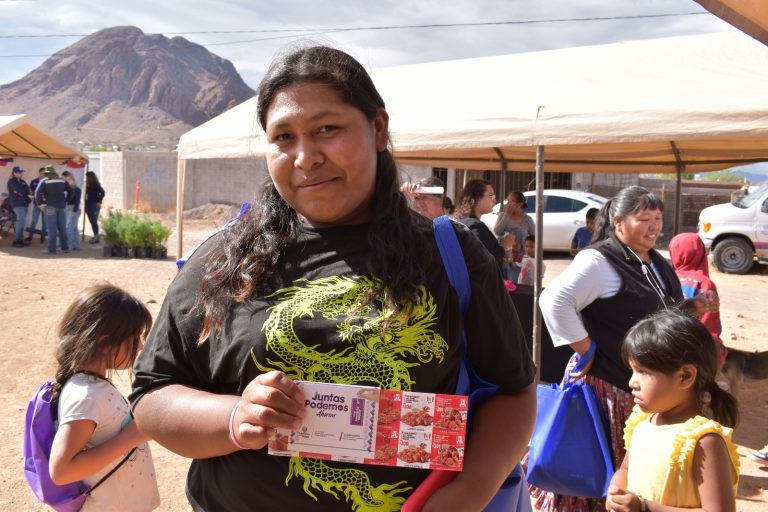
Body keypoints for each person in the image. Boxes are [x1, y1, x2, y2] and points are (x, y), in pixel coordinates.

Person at [131, 45, 536, 512]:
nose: (306, 157)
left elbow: (514, 391)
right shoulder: (223, 259)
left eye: (327, 129)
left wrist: (467, 493)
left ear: (378, 128)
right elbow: (152, 393)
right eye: (284, 137)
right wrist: (236, 417)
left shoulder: (450, 254)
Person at [535, 185, 716, 511]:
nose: (654, 226)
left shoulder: (653, 261)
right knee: (599, 469)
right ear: (618, 222)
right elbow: (554, 300)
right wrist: (586, 349)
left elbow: (662, 314)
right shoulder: (600, 260)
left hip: (648, 386)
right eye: (644, 219)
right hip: (610, 387)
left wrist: (694, 306)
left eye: (658, 218)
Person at [607, 309, 739, 511]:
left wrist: (645, 508)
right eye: (632, 370)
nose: (632, 382)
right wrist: (616, 489)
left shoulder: (704, 441)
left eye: (643, 372)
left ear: (685, 376)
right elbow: (626, 469)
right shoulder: (641, 422)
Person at [48, 283, 160, 511]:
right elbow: (61, 471)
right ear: (105, 343)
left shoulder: (94, 384)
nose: (140, 346)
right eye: (134, 338)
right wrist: (129, 438)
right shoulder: (85, 395)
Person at [668, 232, 726, 367]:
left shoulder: (668, 277)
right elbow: (709, 324)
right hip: (696, 351)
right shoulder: (704, 283)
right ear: (700, 252)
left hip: (670, 344)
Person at [454, 179, 516, 271]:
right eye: (490, 195)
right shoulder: (475, 227)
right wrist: (504, 245)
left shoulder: (463, 222)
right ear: (477, 199)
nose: (494, 200)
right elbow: (488, 259)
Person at [493, 191, 534, 281]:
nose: (507, 204)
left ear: (519, 204)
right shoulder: (502, 215)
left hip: (518, 260)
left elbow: (534, 239)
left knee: (515, 283)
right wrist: (507, 214)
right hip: (502, 257)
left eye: (510, 202)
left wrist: (522, 244)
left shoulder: (527, 220)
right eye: (507, 201)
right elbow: (497, 231)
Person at [35, 166, 71, 254]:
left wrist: (39, 204)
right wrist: (66, 201)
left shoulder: (45, 181)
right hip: (61, 207)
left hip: (50, 207)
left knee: (52, 229)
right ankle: (65, 248)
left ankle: (52, 250)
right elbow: (71, 191)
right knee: (62, 228)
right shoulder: (62, 180)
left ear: (47, 173)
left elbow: (37, 193)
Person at [7, 166, 31, 248]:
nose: (21, 173)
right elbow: (21, 190)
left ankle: (20, 240)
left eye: (21, 172)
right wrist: (23, 191)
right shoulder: (11, 181)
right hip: (17, 204)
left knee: (22, 222)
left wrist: (22, 192)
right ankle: (16, 241)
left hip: (24, 203)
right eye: (19, 172)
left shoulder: (23, 181)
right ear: (14, 173)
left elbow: (28, 190)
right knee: (21, 221)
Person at [62, 171, 82, 251]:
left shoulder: (77, 189)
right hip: (68, 209)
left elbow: (77, 201)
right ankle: (76, 245)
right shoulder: (65, 189)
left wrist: (74, 211)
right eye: (66, 180)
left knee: (69, 228)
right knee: (74, 228)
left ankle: (68, 245)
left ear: (73, 180)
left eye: (69, 179)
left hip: (74, 209)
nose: (68, 181)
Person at [26, 168, 48, 244]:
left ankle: (42, 237)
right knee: (33, 221)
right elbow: (30, 191)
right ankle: (30, 237)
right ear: (39, 173)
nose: (43, 174)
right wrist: (31, 194)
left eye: (45, 173)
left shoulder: (48, 182)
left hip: (45, 205)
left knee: (45, 223)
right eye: (42, 173)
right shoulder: (34, 181)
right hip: (36, 204)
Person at [84, 171, 105, 243]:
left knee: (93, 221)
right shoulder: (88, 185)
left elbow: (102, 192)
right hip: (89, 204)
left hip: (94, 204)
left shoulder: (95, 184)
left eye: (87, 177)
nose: (86, 178)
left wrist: (99, 201)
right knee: (92, 221)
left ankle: (96, 236)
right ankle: (96, 236)